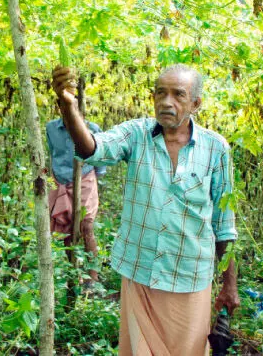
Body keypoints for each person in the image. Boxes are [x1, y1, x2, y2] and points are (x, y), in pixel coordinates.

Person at [52, 63, 239, 355]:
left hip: (189, 276)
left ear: (196, 104)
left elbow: (224, 224)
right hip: (140, 271)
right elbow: (92, 148)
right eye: (160, 93)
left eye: (178, 95)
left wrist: (230, 286)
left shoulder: (216, 149)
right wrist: (69, 107)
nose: (166, 102)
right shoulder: (137, 134)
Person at [46, 113, 106, 285]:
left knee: (86, 226)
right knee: (65, 228)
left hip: (85, 179)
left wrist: (91, 182)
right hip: (60, 182)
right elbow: (53, 153)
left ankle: (92, 278)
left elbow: (99, 161)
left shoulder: (92, 128)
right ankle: (73, 274)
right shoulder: (51, 128)